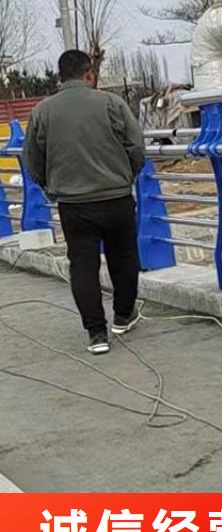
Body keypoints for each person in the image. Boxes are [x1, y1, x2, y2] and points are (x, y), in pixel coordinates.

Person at [23, 50, 146, 355]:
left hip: (74, 203)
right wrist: (126, 175)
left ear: (60, 76)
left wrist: (49, 186)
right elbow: (136, 145)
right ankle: (123, 316)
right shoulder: (111, 103)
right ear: (89, 73)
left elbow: (32, 159)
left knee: (82, 266)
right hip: (116, 197)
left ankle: (96, 333)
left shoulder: (42, 111)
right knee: (124, 258)